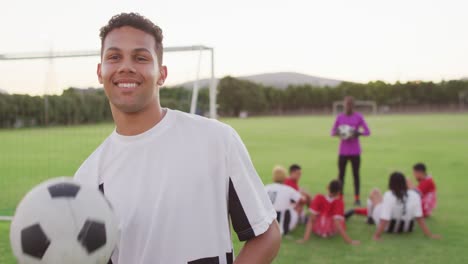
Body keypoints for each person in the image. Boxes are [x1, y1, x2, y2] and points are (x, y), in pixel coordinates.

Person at [74, 13, 280, 264]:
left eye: (140, 58)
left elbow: (266, 234)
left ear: (161, 74)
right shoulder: (88, 178)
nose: (125, 66)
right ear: (100, 71)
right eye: (114, 56)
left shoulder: (215, 139)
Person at [349, 172, 440, 240]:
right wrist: (430, 235)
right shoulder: (414, 195)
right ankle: (370, 218)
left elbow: (385, 219)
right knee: (381, 200)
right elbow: (419, 218)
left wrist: (376, 235)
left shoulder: (389, 194)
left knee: (374, 193)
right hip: (408, 228)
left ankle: (370, 219)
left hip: (389, 228)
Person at [331, 96, 370, 206]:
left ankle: (357, 198)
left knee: (356, 175)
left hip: (355, 152)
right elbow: (332, 132)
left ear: (353, 105)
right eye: (346, 104)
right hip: (343, 152)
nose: (347, 106)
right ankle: (340, 197)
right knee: (341, 176)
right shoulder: (340, 117)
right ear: (344, 105)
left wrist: (358, 133)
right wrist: (339, 133)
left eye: (349, 104)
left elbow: (368, 132)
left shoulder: (358, 117)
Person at [297, 180, 360, 245]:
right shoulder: (339, 203)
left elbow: (311, 220)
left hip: (318, 230)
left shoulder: (319, 197)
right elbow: (337, 224)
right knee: (341, 218)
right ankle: (350, 212)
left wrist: (305, 239)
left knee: (312, 216)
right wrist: (350, 241)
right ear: (339, 192)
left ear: (327, 187)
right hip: (331, 232)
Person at [265, 166, 304, 235]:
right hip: (281, 223)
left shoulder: (266, 187)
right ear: (284, 177)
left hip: (266, 221)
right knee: (295, 206)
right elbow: (302, 200)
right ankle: (300, 220)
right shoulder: (288, 189)